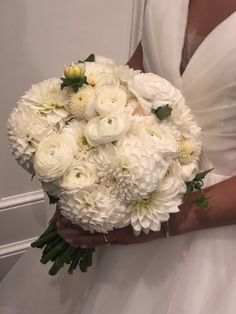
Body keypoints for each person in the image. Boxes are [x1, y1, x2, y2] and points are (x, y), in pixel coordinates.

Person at [0, 0, 236, 313]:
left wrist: (156, 226)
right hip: (129, 196)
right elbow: (138, 79)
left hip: (211, 237)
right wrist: (83, 170)